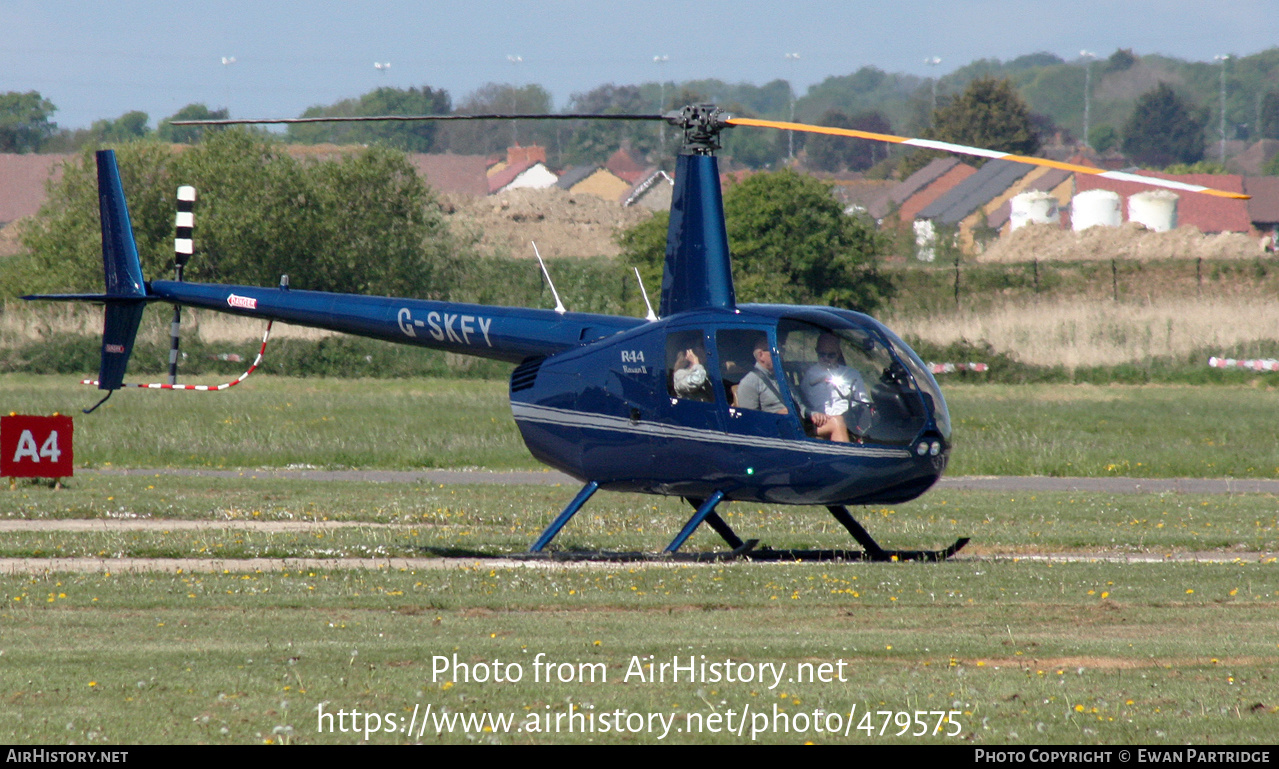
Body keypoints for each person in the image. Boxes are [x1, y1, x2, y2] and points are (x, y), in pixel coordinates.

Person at [736, 334, 849, 441]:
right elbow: (749, 423)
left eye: (782, 351)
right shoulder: (749, 382)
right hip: (775, 431)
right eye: (777, 351)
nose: (781, 355)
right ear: (761, 355)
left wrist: (813, 414)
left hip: (797, 423)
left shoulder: (781, 376)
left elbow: (800, 405)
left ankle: (845, 460)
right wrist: (775, 416)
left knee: (837, 421)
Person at [799, 333, 869, 443]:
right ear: (816, 351)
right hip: (825, 421)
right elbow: (802, 403)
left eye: (831, 355)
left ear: (838, 353)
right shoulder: (810, 376)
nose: (826, 358)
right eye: (822, 354)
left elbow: (864, 402)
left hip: (852, 421)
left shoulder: (852, 374)